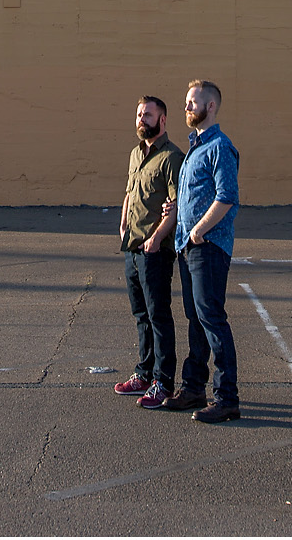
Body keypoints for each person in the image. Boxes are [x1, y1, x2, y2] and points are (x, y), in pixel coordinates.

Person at [164, 78, 241, 423]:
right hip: (188, 244)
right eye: (186, 102)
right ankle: (194, 387)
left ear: (211, 106)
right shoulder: (195, 147)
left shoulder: (219, 146)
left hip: (207, 246)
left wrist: (197, 230)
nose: (187, 107)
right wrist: (177, 212)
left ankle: (227, 398)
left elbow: (226, 197)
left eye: (193, 102)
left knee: (211, 318)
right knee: (195, 318)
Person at [115, 95, 185, 409]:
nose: (142, 119)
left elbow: (176, 205)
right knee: (141, 315)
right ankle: (143, 373)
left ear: (163, 120)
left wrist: (157, 238)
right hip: (132, 247)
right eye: (140, 114)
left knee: (159, 316)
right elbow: (130, 192)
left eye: (148, 114)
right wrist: (122, 224)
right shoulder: (135, 154)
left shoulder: (171, 157)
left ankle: (163, 382)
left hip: (155, 250)